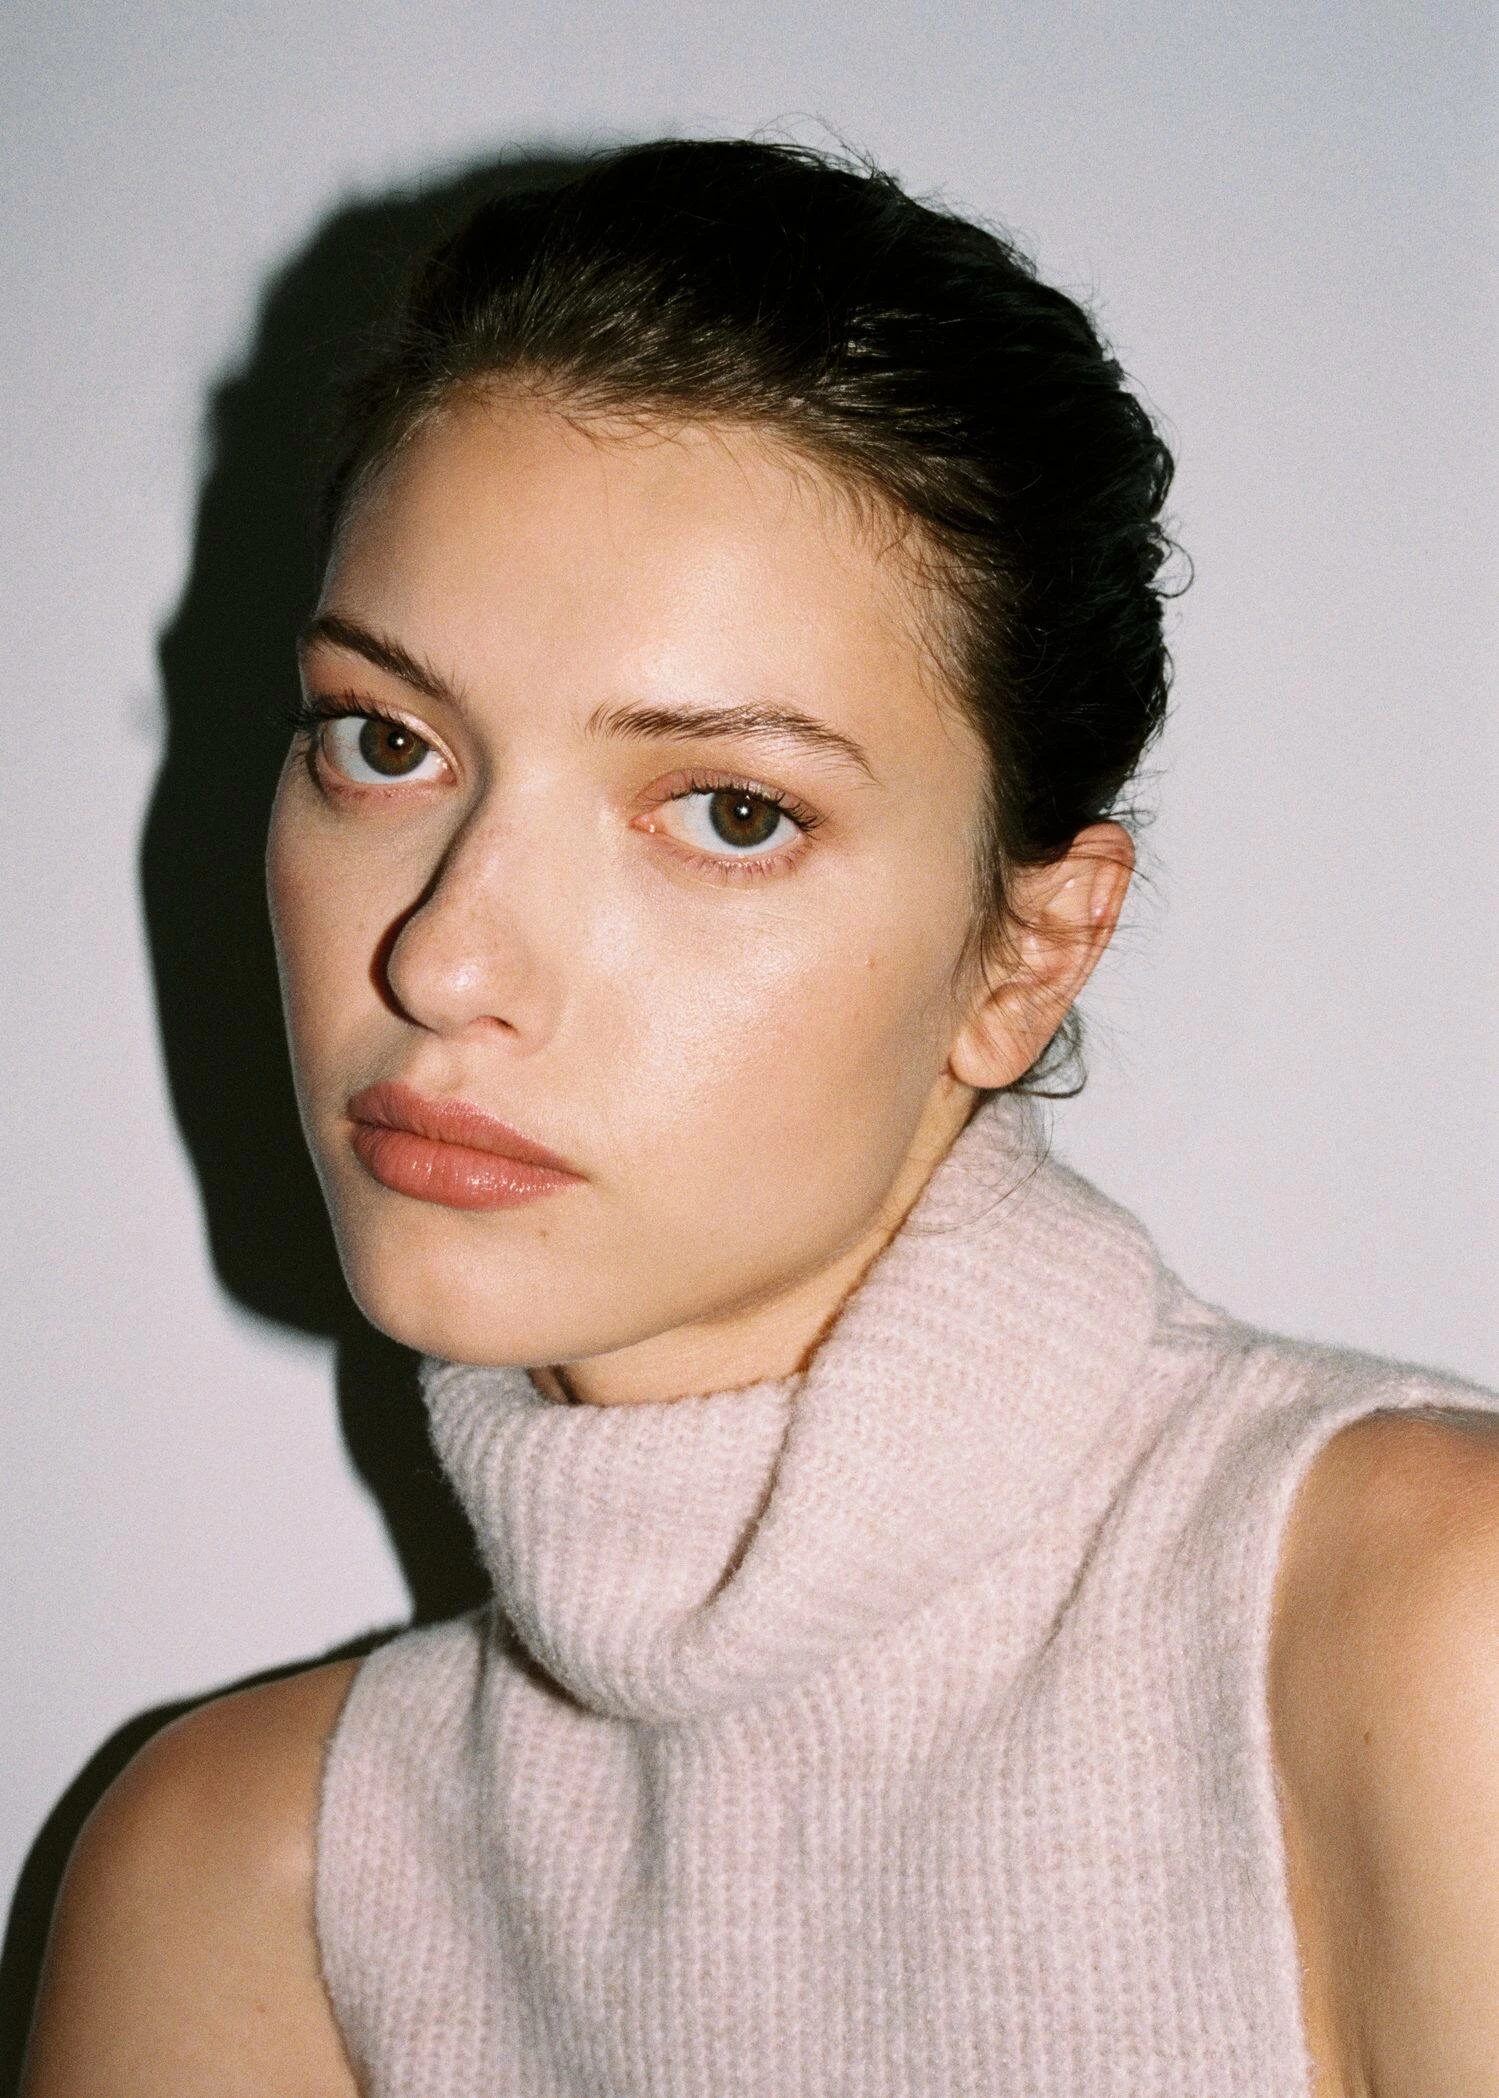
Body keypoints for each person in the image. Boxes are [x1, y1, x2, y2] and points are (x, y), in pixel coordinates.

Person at [21, 138, 1499, 2097]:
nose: (444, 959)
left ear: (1027, 953)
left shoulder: (1419, 1632)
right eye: (386, 741)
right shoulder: (237, 1875)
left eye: (727, 812)